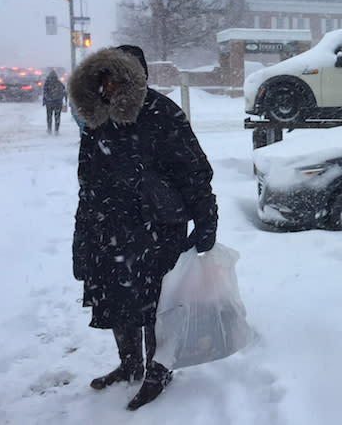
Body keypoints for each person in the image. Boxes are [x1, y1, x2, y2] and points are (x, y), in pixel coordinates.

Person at [68, 44, 218, 411]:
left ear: (134, 78)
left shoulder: (162, 113)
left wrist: (206, 217)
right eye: (102, 79)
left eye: (114, 79)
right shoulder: (96, 118)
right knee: (116, 296)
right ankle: (130, 362)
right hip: (107, 224)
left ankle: (158, 368)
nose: (107, 87)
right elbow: (87, 179)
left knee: (155, 302)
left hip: (156, 225)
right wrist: (82, 231)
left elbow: (194, 171)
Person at [42, 70, 67, 134]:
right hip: (58, 102)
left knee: (49, 117)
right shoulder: (59, 83)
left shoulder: (47, 83)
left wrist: (44, 101)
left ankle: (49, 129)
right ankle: (56, 130)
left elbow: (45, 93)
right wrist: (64, 101)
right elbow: (64, 92)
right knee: (57, 117)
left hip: (49, 103)